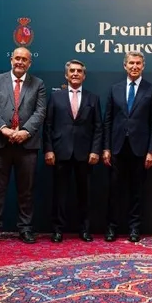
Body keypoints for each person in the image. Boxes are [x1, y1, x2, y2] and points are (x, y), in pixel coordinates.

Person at [0, 47, 46, 245]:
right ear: (11, 60)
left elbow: (40, 111)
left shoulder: (38, 84)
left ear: (29, 63)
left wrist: (25, 131)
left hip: (27, 144)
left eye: (24, 59)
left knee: (26, 190)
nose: (20, 62)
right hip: (0, 142)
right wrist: (3, 128)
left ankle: (25, 228)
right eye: (17, 58)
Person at [102, 51, 152, 243]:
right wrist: (106, 148)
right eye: (131, 63)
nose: (134, 66)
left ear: (143, 66)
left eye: (138, 63)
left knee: (137, 191)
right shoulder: (114, 89)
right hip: (117, 148)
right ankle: (112, 228)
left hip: (141, 149)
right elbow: (108, 120)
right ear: (124, 66)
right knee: (113, 190)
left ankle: (134, 228)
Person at [44, 59, 102, 243]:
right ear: (66, 75)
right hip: (60, 152)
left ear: (84, 76)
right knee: (60, 194)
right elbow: (48, 126)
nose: (75, 74)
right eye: (72, 71)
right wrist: (49, 150)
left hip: (85, 154)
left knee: (84, 194)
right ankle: (58, 230)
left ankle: (84, 230)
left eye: (79, 71)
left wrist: (95, 150)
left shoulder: (93, 98)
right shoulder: (56, 97)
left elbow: (98, 127)